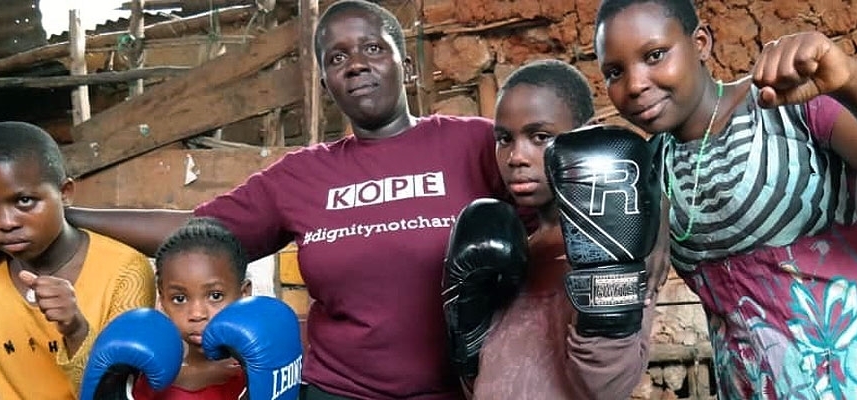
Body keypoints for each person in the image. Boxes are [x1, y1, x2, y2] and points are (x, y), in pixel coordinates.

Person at [56, 1, 525, 398]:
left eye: (373, 48)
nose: (356, 64)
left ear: (406, 64)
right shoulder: (302, 174)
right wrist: (66, 216)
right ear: (324, 83)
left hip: (466, 389)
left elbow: (549, 212)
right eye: (337, 58)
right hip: (337, 390)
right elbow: (197, 233)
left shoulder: (475, 144)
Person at [593, 0, 857, 398]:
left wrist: (851, 79)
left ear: (701, 43)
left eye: (655, 55)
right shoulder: (650, 168)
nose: (635, 84)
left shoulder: (787, 102)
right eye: (614, 72)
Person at [0, 122, 157, 399]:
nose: (6, 223)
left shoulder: (125, 271)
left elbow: (117, 394)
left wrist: (76, 331)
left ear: (65, 193)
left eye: (24, 201)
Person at [464, 59, 669, 399]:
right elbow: (483, 382)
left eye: (539, 136)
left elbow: (605, 385)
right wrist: (466, 331)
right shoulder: (508, 249)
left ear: (582, 136)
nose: (516, 156)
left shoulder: (619, 240)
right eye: (504, 138)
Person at [132, 218, 251, 400]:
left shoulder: (259, 370)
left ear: (244, 294)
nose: (197, 314)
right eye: (179, 299)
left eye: (215, 296)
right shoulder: (152, 378)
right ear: (162, 299)